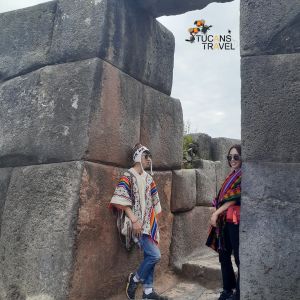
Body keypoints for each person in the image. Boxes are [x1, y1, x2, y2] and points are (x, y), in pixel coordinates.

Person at [110, 143, 168, 300]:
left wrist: (156, 224)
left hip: (149, 225)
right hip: (135, 225)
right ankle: (134, 280)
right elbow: (119, 198)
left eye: (150, 156)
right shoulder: (128, 176)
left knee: (150, 255)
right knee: (155, 256)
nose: (149, 159)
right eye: (146, 156)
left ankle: (148, 292)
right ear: (137, 157)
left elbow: (155, 200)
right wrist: (134, 219)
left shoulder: (149, 178)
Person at [206, 144, 242, 300]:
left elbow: (232, 199)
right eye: (230, 157)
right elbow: (221, 198)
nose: (232, 160)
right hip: (224, 222)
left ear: (242, 158)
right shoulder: (231, 175)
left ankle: (239, 293)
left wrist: (216, 213)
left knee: (239, 258)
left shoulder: (242, 175)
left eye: (236, 157)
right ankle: (228, 289)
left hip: (235, 221)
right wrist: (216, 208)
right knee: (224, 254)